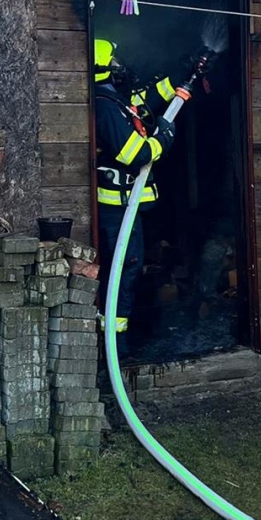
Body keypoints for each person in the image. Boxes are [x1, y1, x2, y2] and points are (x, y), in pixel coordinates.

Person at [92, 39, 175, 356]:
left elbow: (144, 101)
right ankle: (116, 345)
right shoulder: (105, 106)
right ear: (104, 69)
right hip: (117, 209)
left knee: (127, 268)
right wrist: (162, 140)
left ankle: (117, 338)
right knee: (124, 270)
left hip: (127, 206)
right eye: (114, 62)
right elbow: (135, 153)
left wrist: (183, 74)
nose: (119, 66)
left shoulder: (113, 99)